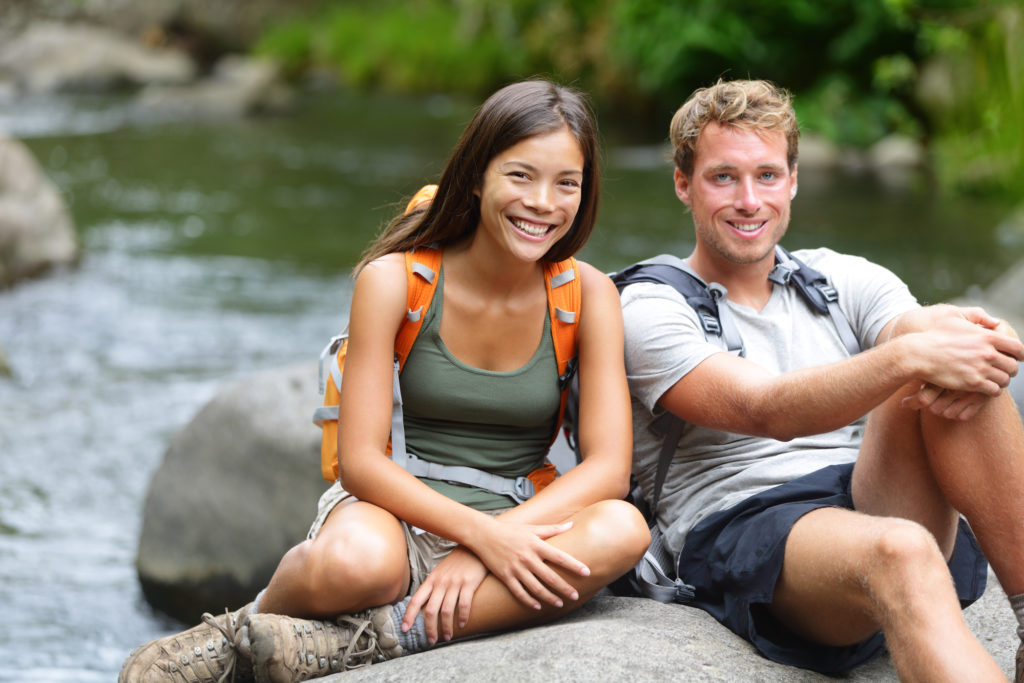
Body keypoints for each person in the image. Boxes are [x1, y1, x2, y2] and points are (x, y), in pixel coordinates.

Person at [121, 79, 649, 683]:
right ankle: (242, 629)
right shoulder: (395, 281)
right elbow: (361, 464)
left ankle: (377, 641)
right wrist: (482, 540)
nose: (544, 203)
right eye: (521, 176)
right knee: (356, 565)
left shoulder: (590, 297)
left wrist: (490, 545)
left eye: (567, 183)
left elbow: (608, 470)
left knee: (622, 529)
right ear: (476, 177)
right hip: (393, 508)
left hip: (522, 512)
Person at [621, 78, 1024, 680]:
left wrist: (956, 332)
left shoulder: (839, 276)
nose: (749, 200)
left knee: (959, 367)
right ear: (684, 184)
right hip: (747, 523)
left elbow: (912, 327)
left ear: (794, 179)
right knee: (902, 547)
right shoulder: (647, 306)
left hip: (864, 492)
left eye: (767, 175)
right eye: (723, 177)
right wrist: (912, 355)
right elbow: (765, 409)